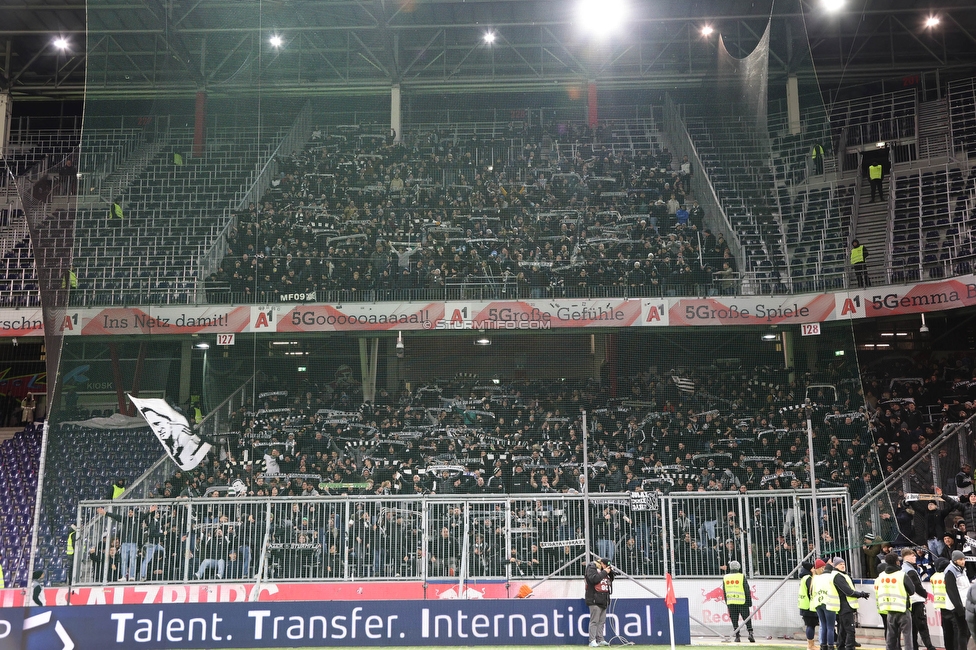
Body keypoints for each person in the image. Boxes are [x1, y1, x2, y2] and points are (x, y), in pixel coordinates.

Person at [876, 551, 915, 650]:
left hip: (889, 610)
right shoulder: (901, 575)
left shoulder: (881, 576)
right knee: (907, 638)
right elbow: (912, 591)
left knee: (890, 638)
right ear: (897, 562)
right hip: (902, 610)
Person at [831, 556, 871, 650]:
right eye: (840, 564)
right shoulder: (838, 576)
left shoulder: (840, 575)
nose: (843, 566)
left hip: (843, 605)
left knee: (843, 630)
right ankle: (850, 647)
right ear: (836, 565)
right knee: (850, 630)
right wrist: (861, 594)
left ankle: (841, 647)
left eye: (843, 564)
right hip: (845, 606)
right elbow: (848, 591)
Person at [901, 548, 936, 650]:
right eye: (913, 556)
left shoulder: (903, 569)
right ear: (906, 557)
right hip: (916, 601)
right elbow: (916, 586)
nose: (915, 557)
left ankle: (914, 647)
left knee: (913, 629)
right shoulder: (910, 570)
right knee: (922, 626)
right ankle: (929, 647)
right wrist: (925, 595)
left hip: (910, 602)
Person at [585, 556, 615, 647]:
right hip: (594, 598)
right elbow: (594, 579)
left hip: (604, 598)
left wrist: (610, 573)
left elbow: (611, 580)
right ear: (601, 563)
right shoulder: (591, 567)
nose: (606, 568)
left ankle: (600, 639)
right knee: (594, 621)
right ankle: (592, 640)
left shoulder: (603, 570)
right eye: (605, 566)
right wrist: (605, 571)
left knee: (601, 621)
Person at [723, 559, 755, 642]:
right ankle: (750, 633)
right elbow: (746, 589)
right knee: (747, 618)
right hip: (742, 602)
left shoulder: (725, 577)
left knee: (734, 619)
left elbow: (724, 591)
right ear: (739, 567)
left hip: (731, 602)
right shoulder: (741, 576)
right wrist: (749, 601)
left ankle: (737, 636)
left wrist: (727, 602)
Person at [945, 550, 971, 650]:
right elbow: (952, 591)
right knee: (963, 631)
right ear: (955, 560)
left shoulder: (961, 569)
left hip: (964, 604)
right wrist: (959, 608)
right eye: (960, 559)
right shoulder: (950, 571)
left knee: (967, 631)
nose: (963, 561)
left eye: (963, 559)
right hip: (957, 606)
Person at [814, 560, 838, 650]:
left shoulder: (816, 578)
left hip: (818, 602)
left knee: (823, 625)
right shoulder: (832, 577)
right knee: (830, 627)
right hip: (829, 603)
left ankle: (823, 646)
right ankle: (830, 646)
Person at [799, 560, 824, 650]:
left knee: (810, 625)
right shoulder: (808, 578)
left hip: (804, 605)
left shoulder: (804, 578)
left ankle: (811, 644)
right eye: (813, 568)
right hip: (808, 606)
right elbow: (812, 590)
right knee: (810, 625)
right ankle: (810, 645)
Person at [932, 558, 955, 650]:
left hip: (941, 606)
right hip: (951, 606)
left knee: (946, 631)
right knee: (956, 631)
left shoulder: (933, 577)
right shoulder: (949, 574)